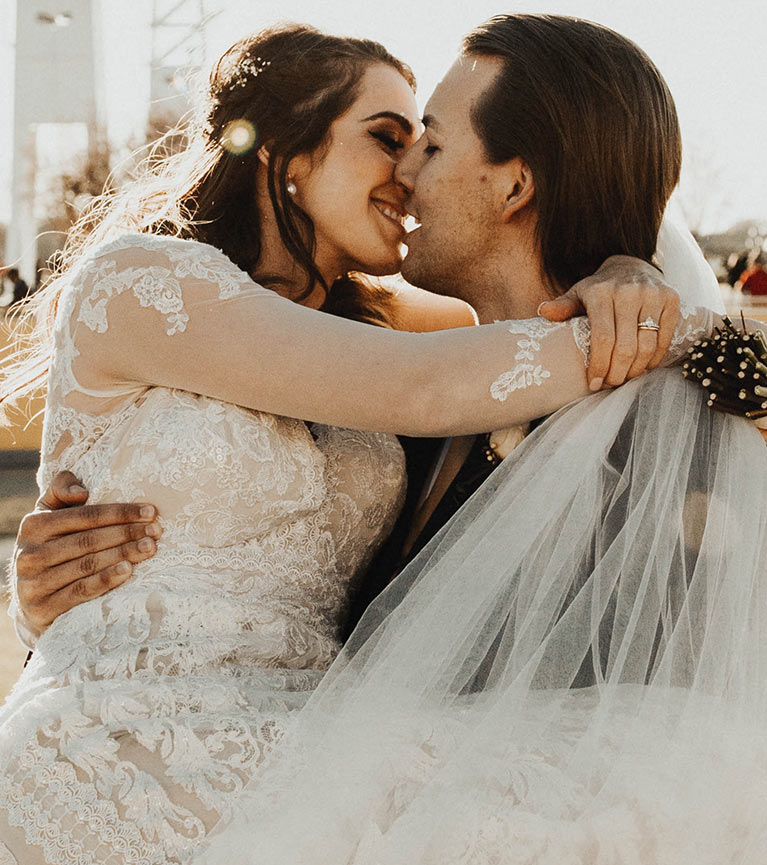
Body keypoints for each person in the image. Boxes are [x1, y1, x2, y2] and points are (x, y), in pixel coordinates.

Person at [0, 17, 736, 865]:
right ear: (285, 150)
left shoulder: (390, 344)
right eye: (388, 138)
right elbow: (419, 385)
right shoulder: (148, 283)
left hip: (311, 749)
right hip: (132, 743)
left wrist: (630, 281)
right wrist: (667, 332)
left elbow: (484, 334)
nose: (406, 174)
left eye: (425, 143)